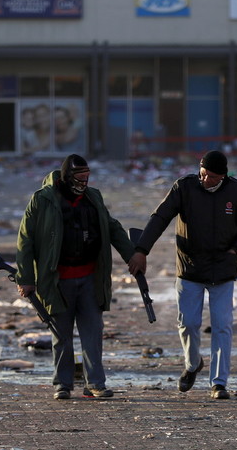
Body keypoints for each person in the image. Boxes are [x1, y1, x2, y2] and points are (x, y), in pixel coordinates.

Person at [16, 154, 146, 400]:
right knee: (61, 335)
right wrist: (26, 278)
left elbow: (113, 228)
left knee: (92, 333)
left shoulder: (93, 198)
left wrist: (134, 255)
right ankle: (62, 385)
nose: (83, 182)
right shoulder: (42, 200)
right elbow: (25, 241)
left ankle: (95, 383)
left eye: (87, 177)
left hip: (90, 278)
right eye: (79, 177)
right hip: (56, 280)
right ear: (67, 177)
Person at [132, 150, 237, 400]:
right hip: (189, 268)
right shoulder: (184, 188)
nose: (204, 180)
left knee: (222, 327)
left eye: (210, 177)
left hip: (223, 269)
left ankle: (219, 383)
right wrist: (141, 250)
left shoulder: (236, 191)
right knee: (188, 323)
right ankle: (192, 364)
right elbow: (160, 218)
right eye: (202, 174)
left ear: (222, 176)